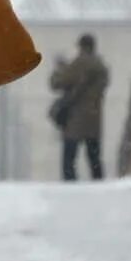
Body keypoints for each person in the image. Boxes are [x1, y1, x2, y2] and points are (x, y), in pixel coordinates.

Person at [50, 35, 110, 181]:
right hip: (94, 117)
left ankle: (71, 185)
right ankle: (99, 183)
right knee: (94, 157)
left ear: (81, 46)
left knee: (69, 157)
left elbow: (57, 83)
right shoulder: (101, 67)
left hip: (75, 118)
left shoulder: (79, 63)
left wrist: (59, 69)